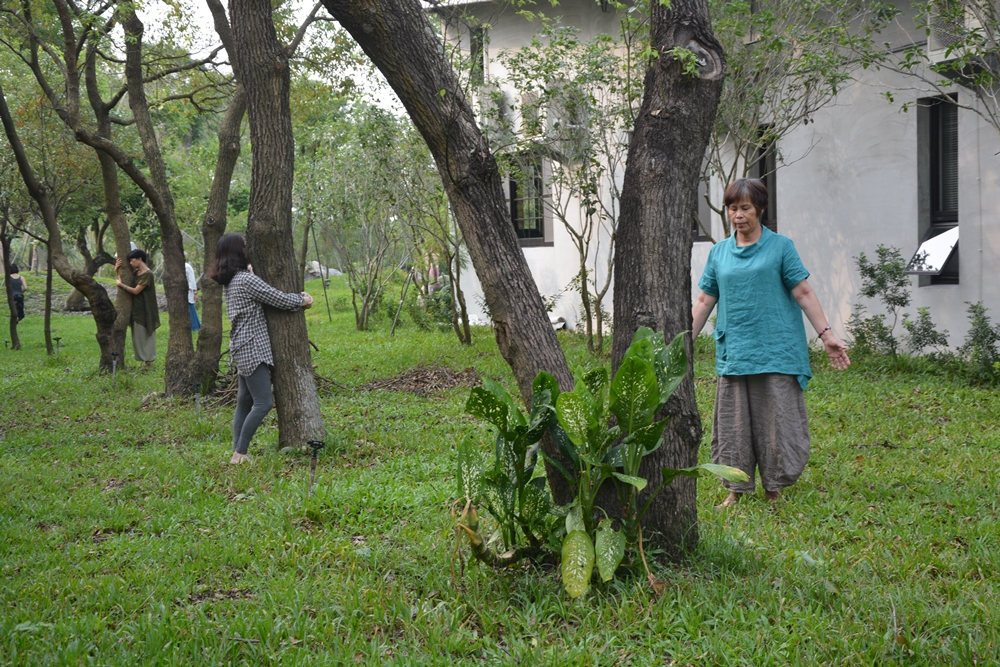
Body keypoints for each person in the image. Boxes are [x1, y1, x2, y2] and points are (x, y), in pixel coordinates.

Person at [691, 178, 850, 507]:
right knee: (735, 425)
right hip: (735, 351)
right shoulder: (719, 253)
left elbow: (803, 291)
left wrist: (827, 335)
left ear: (760, 209)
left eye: (745, 208)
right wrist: (684, 345)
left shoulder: (781, 247)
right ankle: (735, 491)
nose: (738, 215)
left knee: (776, 422)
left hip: (776, 349)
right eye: (733, 208)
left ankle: (773, 489)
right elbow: (705, 299)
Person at [209, 233, 314, 465]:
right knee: (263, 403)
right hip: (252, 349)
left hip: (241, 346)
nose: (248, 249)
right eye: (244, 246)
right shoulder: (246, 280)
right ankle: (240, 454)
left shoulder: (234, 280)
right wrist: (303, 299)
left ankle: (238, 452)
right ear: (239, 251)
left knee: (244, 401)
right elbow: (278, 298)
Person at [115, 249, 160, 365]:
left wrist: (121, 285)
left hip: (146, 310)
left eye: (132, 260)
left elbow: (135, 291)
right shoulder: (136, 273)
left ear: (140, 259)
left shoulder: (148, 274)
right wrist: (117, 271)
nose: (130, 263)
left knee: (147, 335)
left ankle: (149, 361)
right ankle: (145, 361)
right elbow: (121, 281)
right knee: (138, 337)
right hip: (136, 309)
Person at [185, 261, 201, 332]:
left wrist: (195, 293)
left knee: (190, 307)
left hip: (189, 290)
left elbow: (192, 281)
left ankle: (194, 326)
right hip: (182, 292)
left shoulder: (187, 267)